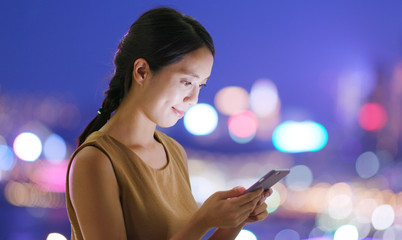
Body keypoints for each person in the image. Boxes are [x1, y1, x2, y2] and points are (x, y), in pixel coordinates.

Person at [65, 7, 272, 240]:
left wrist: (235, 220)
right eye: (186, 82)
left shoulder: (174, 152)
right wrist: (203, 220)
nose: (193, 100)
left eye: (200, 86)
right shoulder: (95, 160)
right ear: (142, 71)